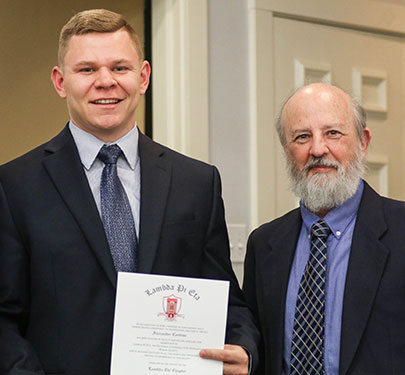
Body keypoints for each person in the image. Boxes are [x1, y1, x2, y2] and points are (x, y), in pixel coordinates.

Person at [0, 9, 259, 375]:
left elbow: (227, 300)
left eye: (120, 68)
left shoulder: (197, 182)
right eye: (87, 69)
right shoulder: (14, 187)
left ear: (143, 76)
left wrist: (245, 350)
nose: (106, 81)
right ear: (60, 82)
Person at [243, 82, 405, 375]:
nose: (318, 149)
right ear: (286, 149)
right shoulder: (264, 244)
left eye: (333, 133)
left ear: (363, 141)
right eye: (302, 137)